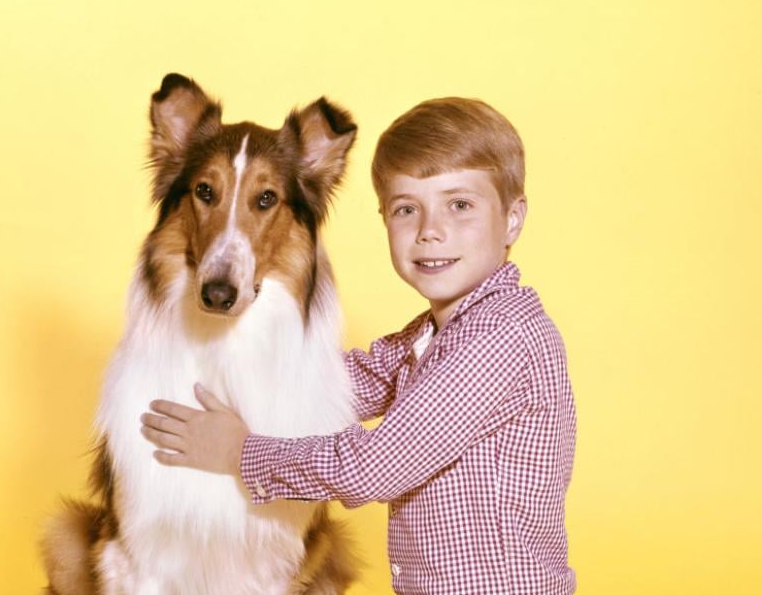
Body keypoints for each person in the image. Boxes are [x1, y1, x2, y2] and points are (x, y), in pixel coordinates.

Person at [140, 96, 577, 594]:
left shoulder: (500, 340)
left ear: (513, 220)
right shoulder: (435, 334)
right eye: (407, 209)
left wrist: (241, 452)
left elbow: (373, 467)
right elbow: (341, 381)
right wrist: (223, 368)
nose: (431, 232)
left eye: (460, 205)